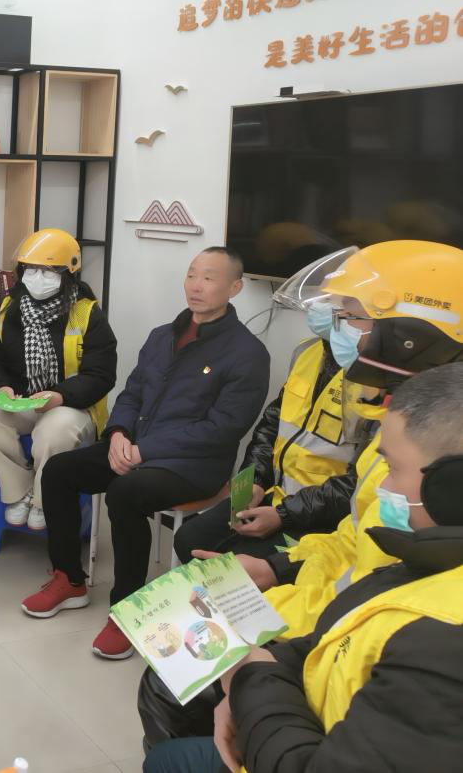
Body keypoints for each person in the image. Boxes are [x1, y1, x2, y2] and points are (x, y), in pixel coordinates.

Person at [137, 241, 463, 749]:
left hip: (339, 629)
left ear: (408, 337)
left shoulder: (434, 452)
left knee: (170, 679)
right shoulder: (390, 416)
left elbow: (373, 592)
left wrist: (269, 639)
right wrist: (276, 567)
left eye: (349, 316)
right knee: (172, 635)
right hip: (317, 580)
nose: (338, 327)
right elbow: (351, 537)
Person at [23, 247, 270, 659]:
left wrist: (143, 450)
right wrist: (119, 433)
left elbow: (223, 428)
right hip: (136, 447)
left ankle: (127, 610)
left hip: (195, 465)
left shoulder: (248, 353)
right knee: (60, 470)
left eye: (209, 278)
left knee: (126, 493)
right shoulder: (162, 336)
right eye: (192, 275)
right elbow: (132, 393)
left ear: (235, 288)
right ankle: (69, 579)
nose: (196, 285)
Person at [172, 308, 382, 564]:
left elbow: (360, 481)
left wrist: (284, 515)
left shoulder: (380, 383)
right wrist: (256, 480)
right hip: (276, 495)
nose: (325, 309)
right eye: (325, 300)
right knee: (190, 538)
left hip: (323, 517)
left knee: (234, 565)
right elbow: (273, 423)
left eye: (346, 308)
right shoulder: (307, 351)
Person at [0, 229, 117, 530]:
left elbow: (100, 374)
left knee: (55, 431)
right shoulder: (8, 308)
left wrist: (60, 395)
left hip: (72, 406)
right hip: (22, 400)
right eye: (31, 269)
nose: (38, 277)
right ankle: (19, 492)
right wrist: (1, 387)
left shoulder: (86, 313)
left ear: (69, 274)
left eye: (48, 271)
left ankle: (42, 498)